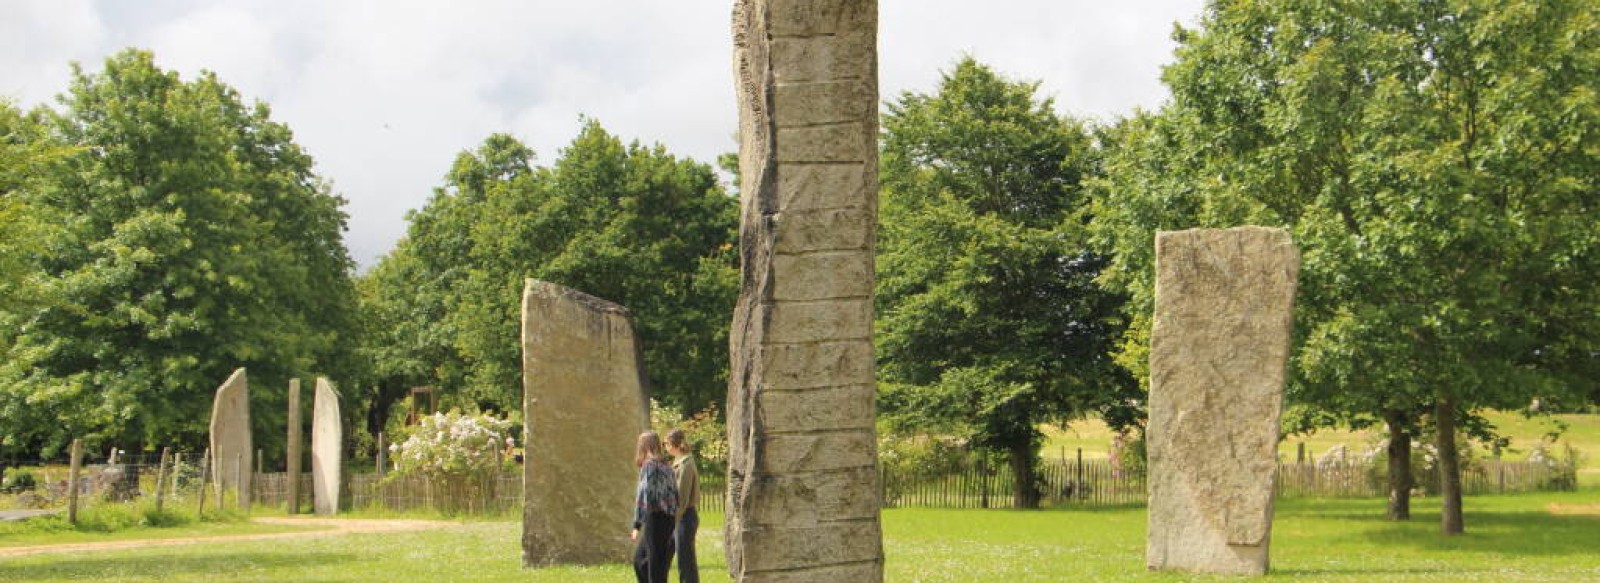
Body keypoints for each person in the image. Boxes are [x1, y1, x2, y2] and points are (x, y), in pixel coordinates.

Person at [631, 431, 678, 583]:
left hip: (655, 518)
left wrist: (637, 524)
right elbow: (675, 495)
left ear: (643, 447)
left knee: (654, 566)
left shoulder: (649, 466)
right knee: (641, 561)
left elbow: (645, 495)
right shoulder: (667, 466)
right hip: (668, 519)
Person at [665, 429, 700, 583]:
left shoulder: (686, 464)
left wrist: (673, 519)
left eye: (666, 443)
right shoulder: (678, 462)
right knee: (669, 555)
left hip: (684, 516)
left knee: (686, 561)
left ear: (676, 444)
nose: (665, 446)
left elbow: (682, 498)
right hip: (680, 516)